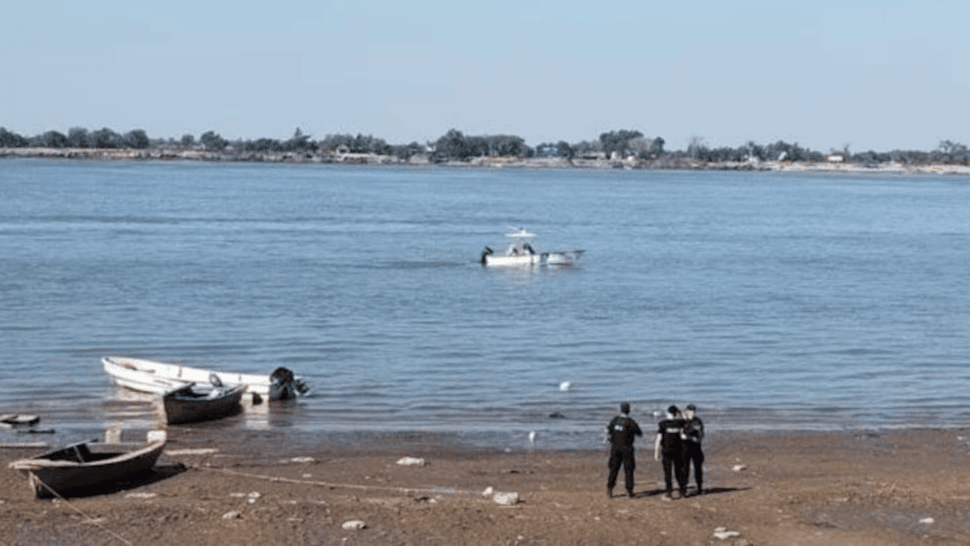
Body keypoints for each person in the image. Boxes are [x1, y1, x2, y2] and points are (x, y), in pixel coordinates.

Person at [606, 402, 643, 498]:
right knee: (629, 470)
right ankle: (629, 491)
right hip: (627, 448)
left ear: (620, 410)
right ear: (629, 410)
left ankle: (610, 489)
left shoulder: (615, 420)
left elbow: (608, 431)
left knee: (613, 469)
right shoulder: (630, 422)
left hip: (615, 447)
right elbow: (639, 433)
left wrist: (611, 437)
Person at [654, 405, 687, 499]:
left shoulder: (663, 424)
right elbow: (684, 419)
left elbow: (658, 439)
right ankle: (682, 491)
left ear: (667, 413)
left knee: (667, 473)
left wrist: (657, 453)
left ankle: (669, 492)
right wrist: (680, 413)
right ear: (676, 414)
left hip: (666, 451)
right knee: (679, 472)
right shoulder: (680, 422)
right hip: (678, 451)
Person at [682, 404, 705, 496]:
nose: (693, 413)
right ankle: (684, 489)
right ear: (687, 412)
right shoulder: (682, 421)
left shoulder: (698, 421)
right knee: (685, 469)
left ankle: (699, 488)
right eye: (691, 411)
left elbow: (701, 434)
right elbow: (682, 434)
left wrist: (690, 437)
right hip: (685, 449)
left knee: (698, 469)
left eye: (694, 411)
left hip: (696, 448)